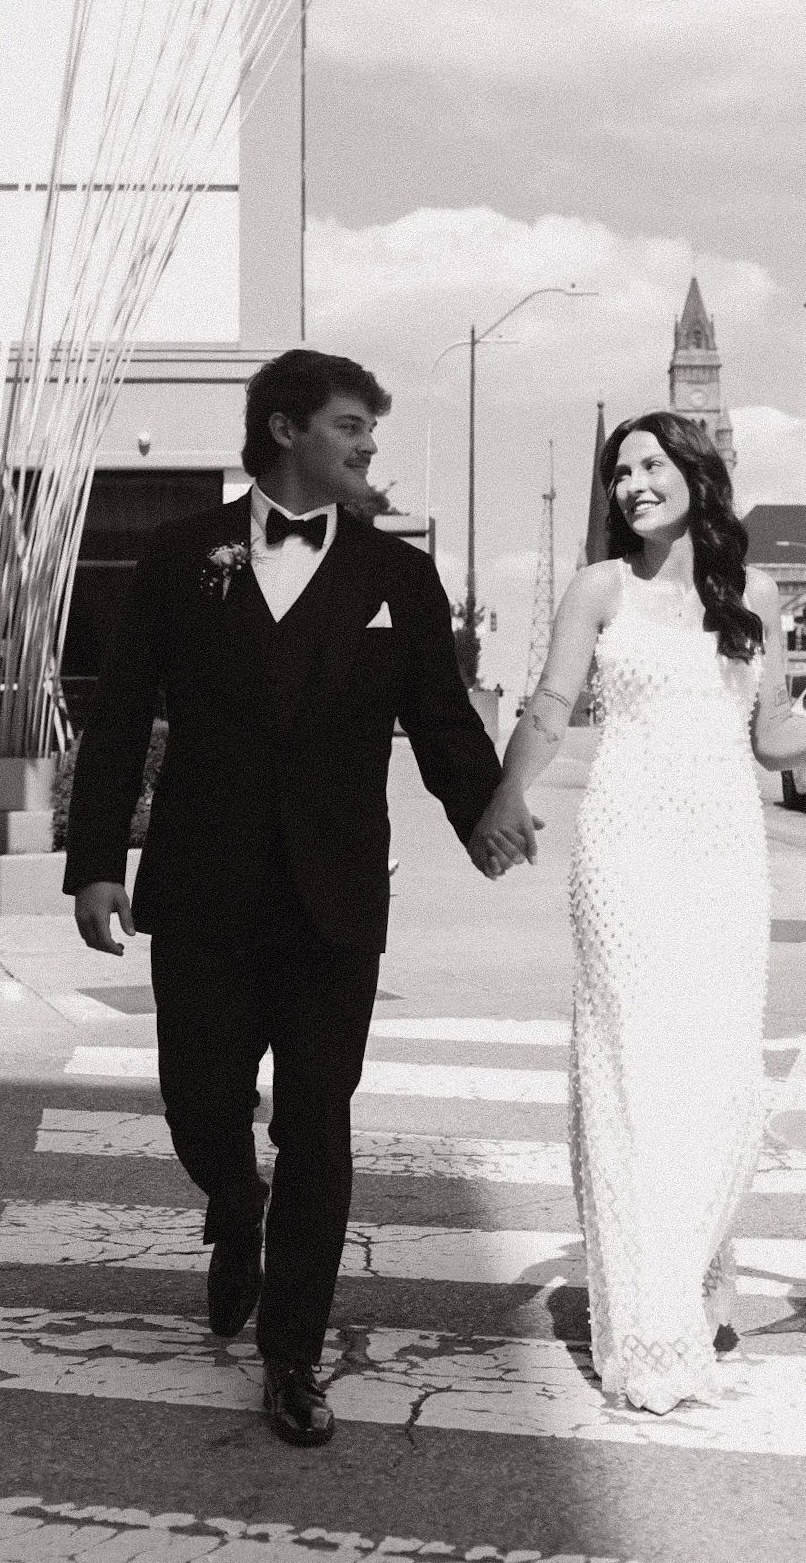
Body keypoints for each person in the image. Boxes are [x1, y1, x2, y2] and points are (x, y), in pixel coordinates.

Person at [64, 349, 502, 1447]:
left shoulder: (396, 578)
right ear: (283, 428)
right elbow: (118, 721)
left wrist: (486, 813)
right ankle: (232, 1201)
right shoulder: (178, 557)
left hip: (333, 896)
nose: (366, 448)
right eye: (351, 425)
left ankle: (294, 1354)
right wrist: (96, 862)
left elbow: (443, 721)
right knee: (197, 1101)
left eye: (369, 430)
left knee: (319, 1121)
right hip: (204, 886)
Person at [469, 410, 806, 1414]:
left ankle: (704, 1268)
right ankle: (650, 1313)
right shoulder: (599, 587)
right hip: (623, 850)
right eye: (620, 471)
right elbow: (546, 705)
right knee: (628, 1066)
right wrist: (503, 797)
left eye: (651, 465)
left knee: (714, 1070)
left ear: (697, 475)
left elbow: (772, 733)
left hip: (723, 857)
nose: (632, 485)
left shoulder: (753, 595)